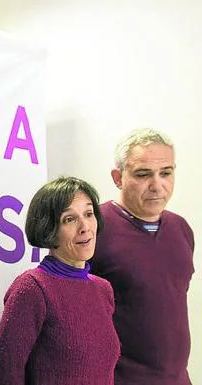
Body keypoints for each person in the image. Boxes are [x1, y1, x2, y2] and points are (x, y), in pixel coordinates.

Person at [0, 176, 120, 385]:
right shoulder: (32, 288)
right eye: (70, 219)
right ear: (49, 229)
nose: (85, 227)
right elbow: (5, 377)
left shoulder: (103, 289)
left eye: (88, 214)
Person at [90, 128, 195, 385]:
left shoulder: (181, 229)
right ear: (118, 177)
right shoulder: (92, 228)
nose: (157, 185)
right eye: (143, 174)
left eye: (166, 173)